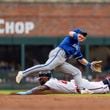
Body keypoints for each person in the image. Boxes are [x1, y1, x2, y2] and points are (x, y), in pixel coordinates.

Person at [16, 28, 98, 94]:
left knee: (77, 72)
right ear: (77, 33)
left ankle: (81, 89)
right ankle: (23, 73)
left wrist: (89, 64)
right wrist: (77, 35)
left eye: (84, 36)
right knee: (47, 67)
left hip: (62, 60)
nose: (82, 36)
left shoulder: (78, 48)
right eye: (81, 34)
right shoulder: (72, 38)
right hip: (59, 53)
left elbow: (80, 59)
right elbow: (70, 33)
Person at [16, 71, 110, 95]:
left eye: (41, 78)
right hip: (77, 84)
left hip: (80, 86)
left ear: (46, 77)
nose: (39, 79)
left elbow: (40, 89)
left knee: (104, 87)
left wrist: (27, 92)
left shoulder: (51, 83)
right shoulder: (52, 82)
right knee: (101, 84)